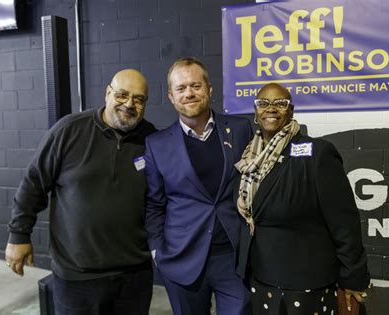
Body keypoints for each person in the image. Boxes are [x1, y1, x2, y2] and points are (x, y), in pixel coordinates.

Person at [5, 69, 157, 315]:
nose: (129, 104)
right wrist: (18, 236)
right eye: (122, 95)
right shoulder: (69, 131)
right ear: (108, 93)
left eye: (138, 99)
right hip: (78, 277)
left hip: (134, 276)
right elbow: (33, 183)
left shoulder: (153, 140)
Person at [235, 83, 370, 314]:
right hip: (260, 275)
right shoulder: (248, 156)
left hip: (305, 283)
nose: (271, 109)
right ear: (255, 111)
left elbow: (344, 222)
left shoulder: (317, 152)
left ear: (291, 110)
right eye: (263, 103)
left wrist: (352, 276)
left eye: (280, 103)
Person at [144, 57, 253, 315]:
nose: (189, 93)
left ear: (209, 89)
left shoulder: (240, 129)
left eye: (196, 86)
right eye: (181, 89)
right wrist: (158, 251)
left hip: (232, 259)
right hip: (182, 260)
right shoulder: (157, 144)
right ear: (171, 96)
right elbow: (154, 204)